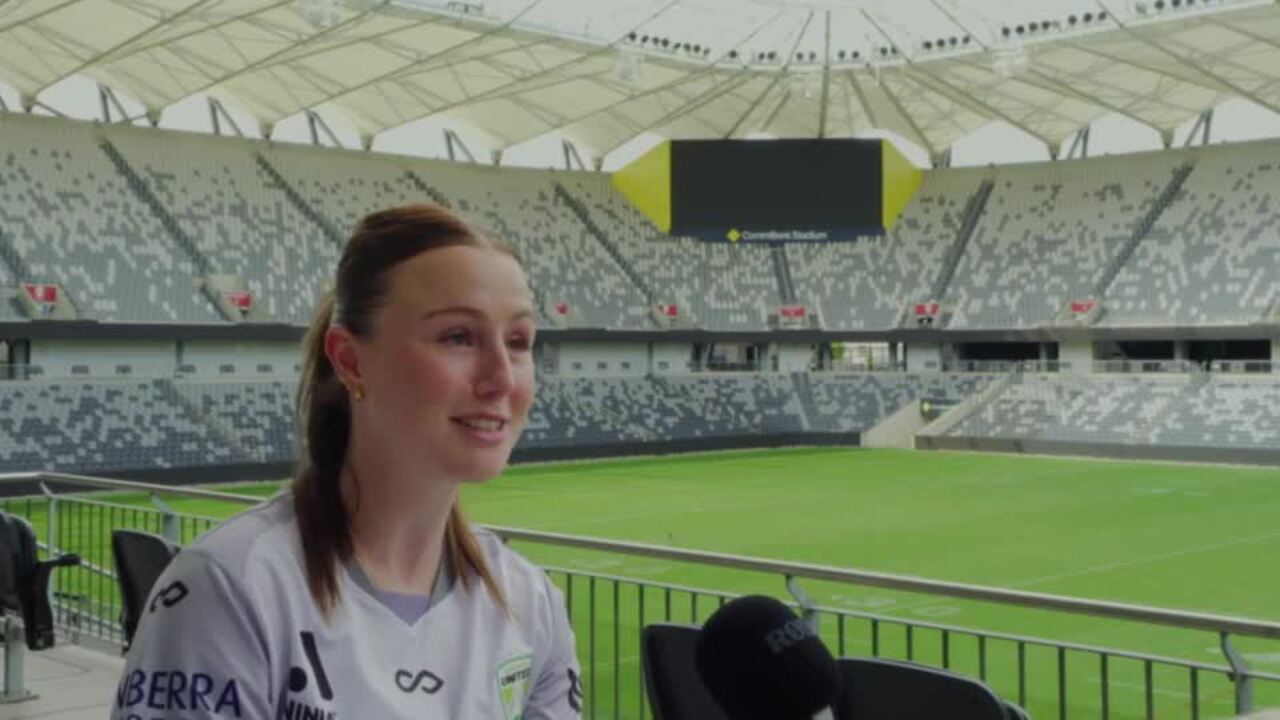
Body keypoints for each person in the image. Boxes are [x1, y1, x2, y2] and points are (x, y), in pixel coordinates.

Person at [111, 204, 582, 719]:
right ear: (351, 361)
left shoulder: (530, 605)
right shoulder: (230, 588)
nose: (503, 377)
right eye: (458, 337)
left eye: (518, 342)